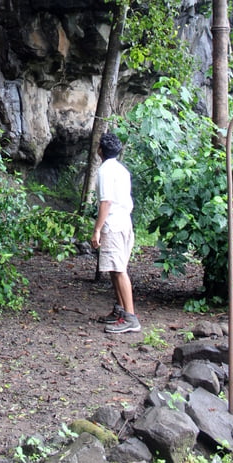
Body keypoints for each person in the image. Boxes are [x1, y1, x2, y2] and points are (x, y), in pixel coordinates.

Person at [90, 132, 141, 333]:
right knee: (114, 268)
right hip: (124, 223)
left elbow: (106, 202)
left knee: (119, 270)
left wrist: (97, 229)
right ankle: (121, 311)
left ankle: (131, 317)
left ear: (100, 150)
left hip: (113, 225)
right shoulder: (121, 170)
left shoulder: (104, 171)